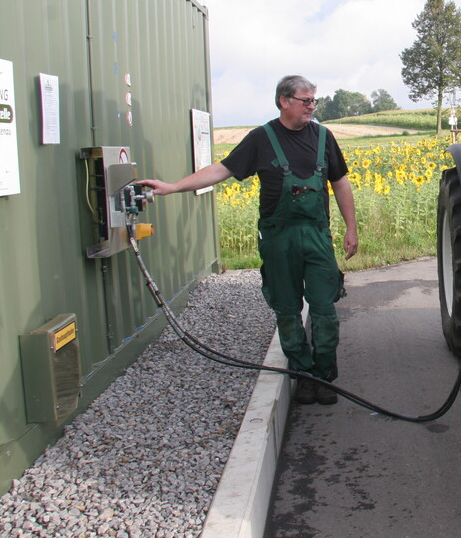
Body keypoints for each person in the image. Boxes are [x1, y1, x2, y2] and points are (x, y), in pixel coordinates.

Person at [138, 75, 358, 405]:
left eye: (315, 101)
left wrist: (351, 228)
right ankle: (303, 373)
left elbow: (340, 183)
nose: (312, 107)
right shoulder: (262, 139)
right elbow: (220, 170)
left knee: (325, 309)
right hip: (277, 239)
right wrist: (171, 187)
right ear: (284, 101)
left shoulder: (324, 137)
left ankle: (325, 376)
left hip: (316, 237)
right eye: (306, 101)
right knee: (286, 310)